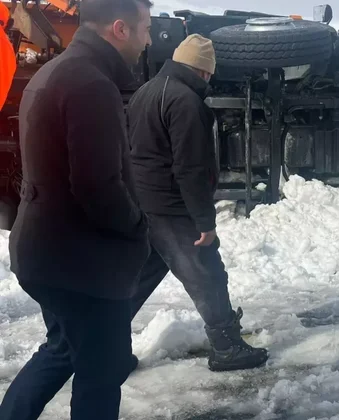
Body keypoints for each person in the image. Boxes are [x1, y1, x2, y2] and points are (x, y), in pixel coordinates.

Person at [0, 0, 152, 418]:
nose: (148, 40)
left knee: (62, 349)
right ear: (120, 28)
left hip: (48, 253)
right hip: (82, 265)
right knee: (102, 375)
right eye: (144, 29)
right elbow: (97, 186)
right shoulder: (91, 85)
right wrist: (138, 228)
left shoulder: (57, 71)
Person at [127, 35, 270, 371]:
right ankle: (226, 348)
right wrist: (204, 222)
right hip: (172, 207)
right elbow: (191, 168)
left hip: (144, 201)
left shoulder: (146, 91)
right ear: (204, 71)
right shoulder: (186, 101)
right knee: (208, 274)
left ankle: (105, 348)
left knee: (140, 278)